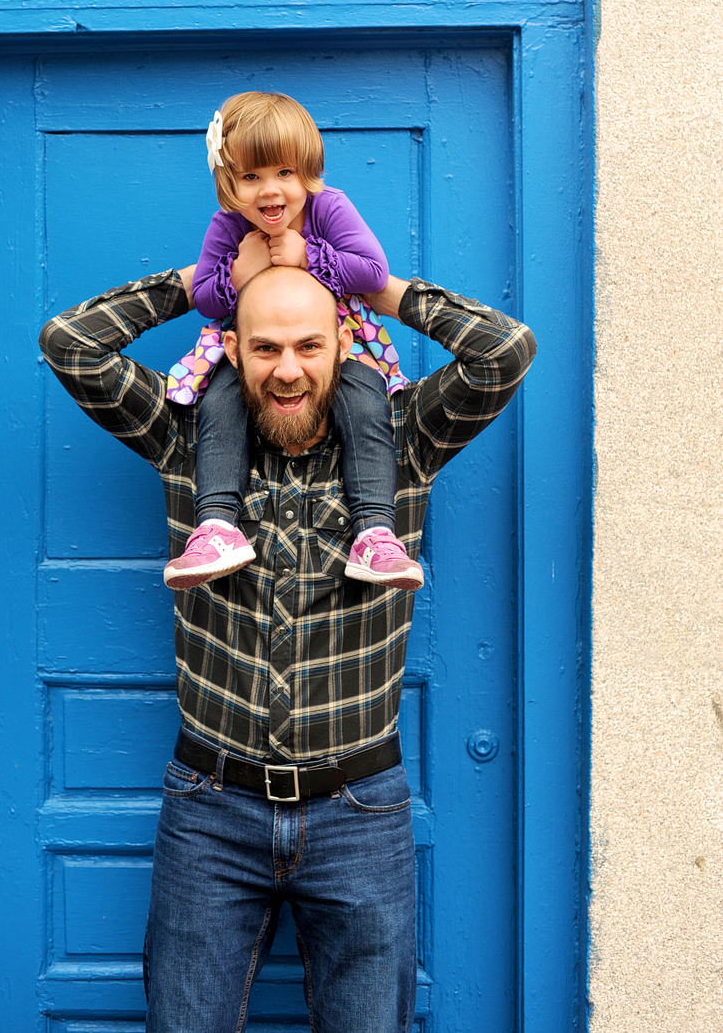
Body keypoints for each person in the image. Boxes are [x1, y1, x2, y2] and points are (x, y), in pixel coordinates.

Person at [39, 263, 536, 1033]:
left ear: (344, 343)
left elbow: (504, 352)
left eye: (309, 345)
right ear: (231, 351)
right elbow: (71, 346)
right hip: (211, 809)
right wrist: (195, 280)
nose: (289, 369)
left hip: (359, 811)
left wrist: (370, 284)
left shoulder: (405, 442)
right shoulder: (184, 441)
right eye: (265, 348)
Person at [165, 91, 423, 591]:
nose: (269, 192)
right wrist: (238, 273)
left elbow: (373, 271)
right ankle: (217, 523)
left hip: (337, 342)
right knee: (219, 398)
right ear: (229, 182)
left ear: (307, 171)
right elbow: (204, 298)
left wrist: (311, 256)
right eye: (251, 177)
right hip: (251, 344)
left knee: (367, 405)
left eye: (284, 173)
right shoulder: (229, 225)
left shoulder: (329, 208)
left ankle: (375, 530)